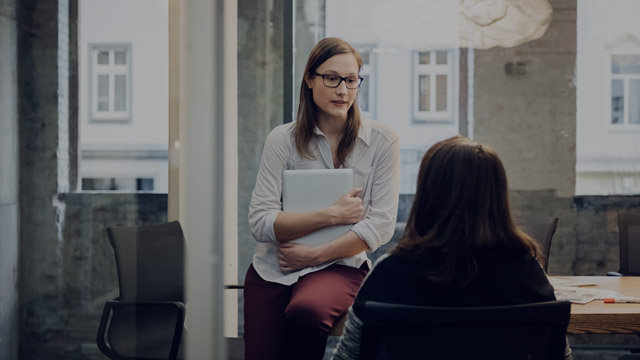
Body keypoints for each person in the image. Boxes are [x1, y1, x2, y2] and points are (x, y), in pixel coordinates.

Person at [332, 135, 572, 359]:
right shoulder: (527, 274)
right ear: (497, 199)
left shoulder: (390, 274)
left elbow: (347, 356)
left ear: (427, 195)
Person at [245, 37, 400, 360]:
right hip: (275, 266)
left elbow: (379, 227)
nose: (342, 90)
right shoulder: (282, 139)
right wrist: (332, 215)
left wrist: (313, 255)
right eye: (331, 78)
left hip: (340, 264)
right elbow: (261, 222)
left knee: (308, 311)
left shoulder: (382, 141)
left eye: (351, 80)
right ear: (309, 79)